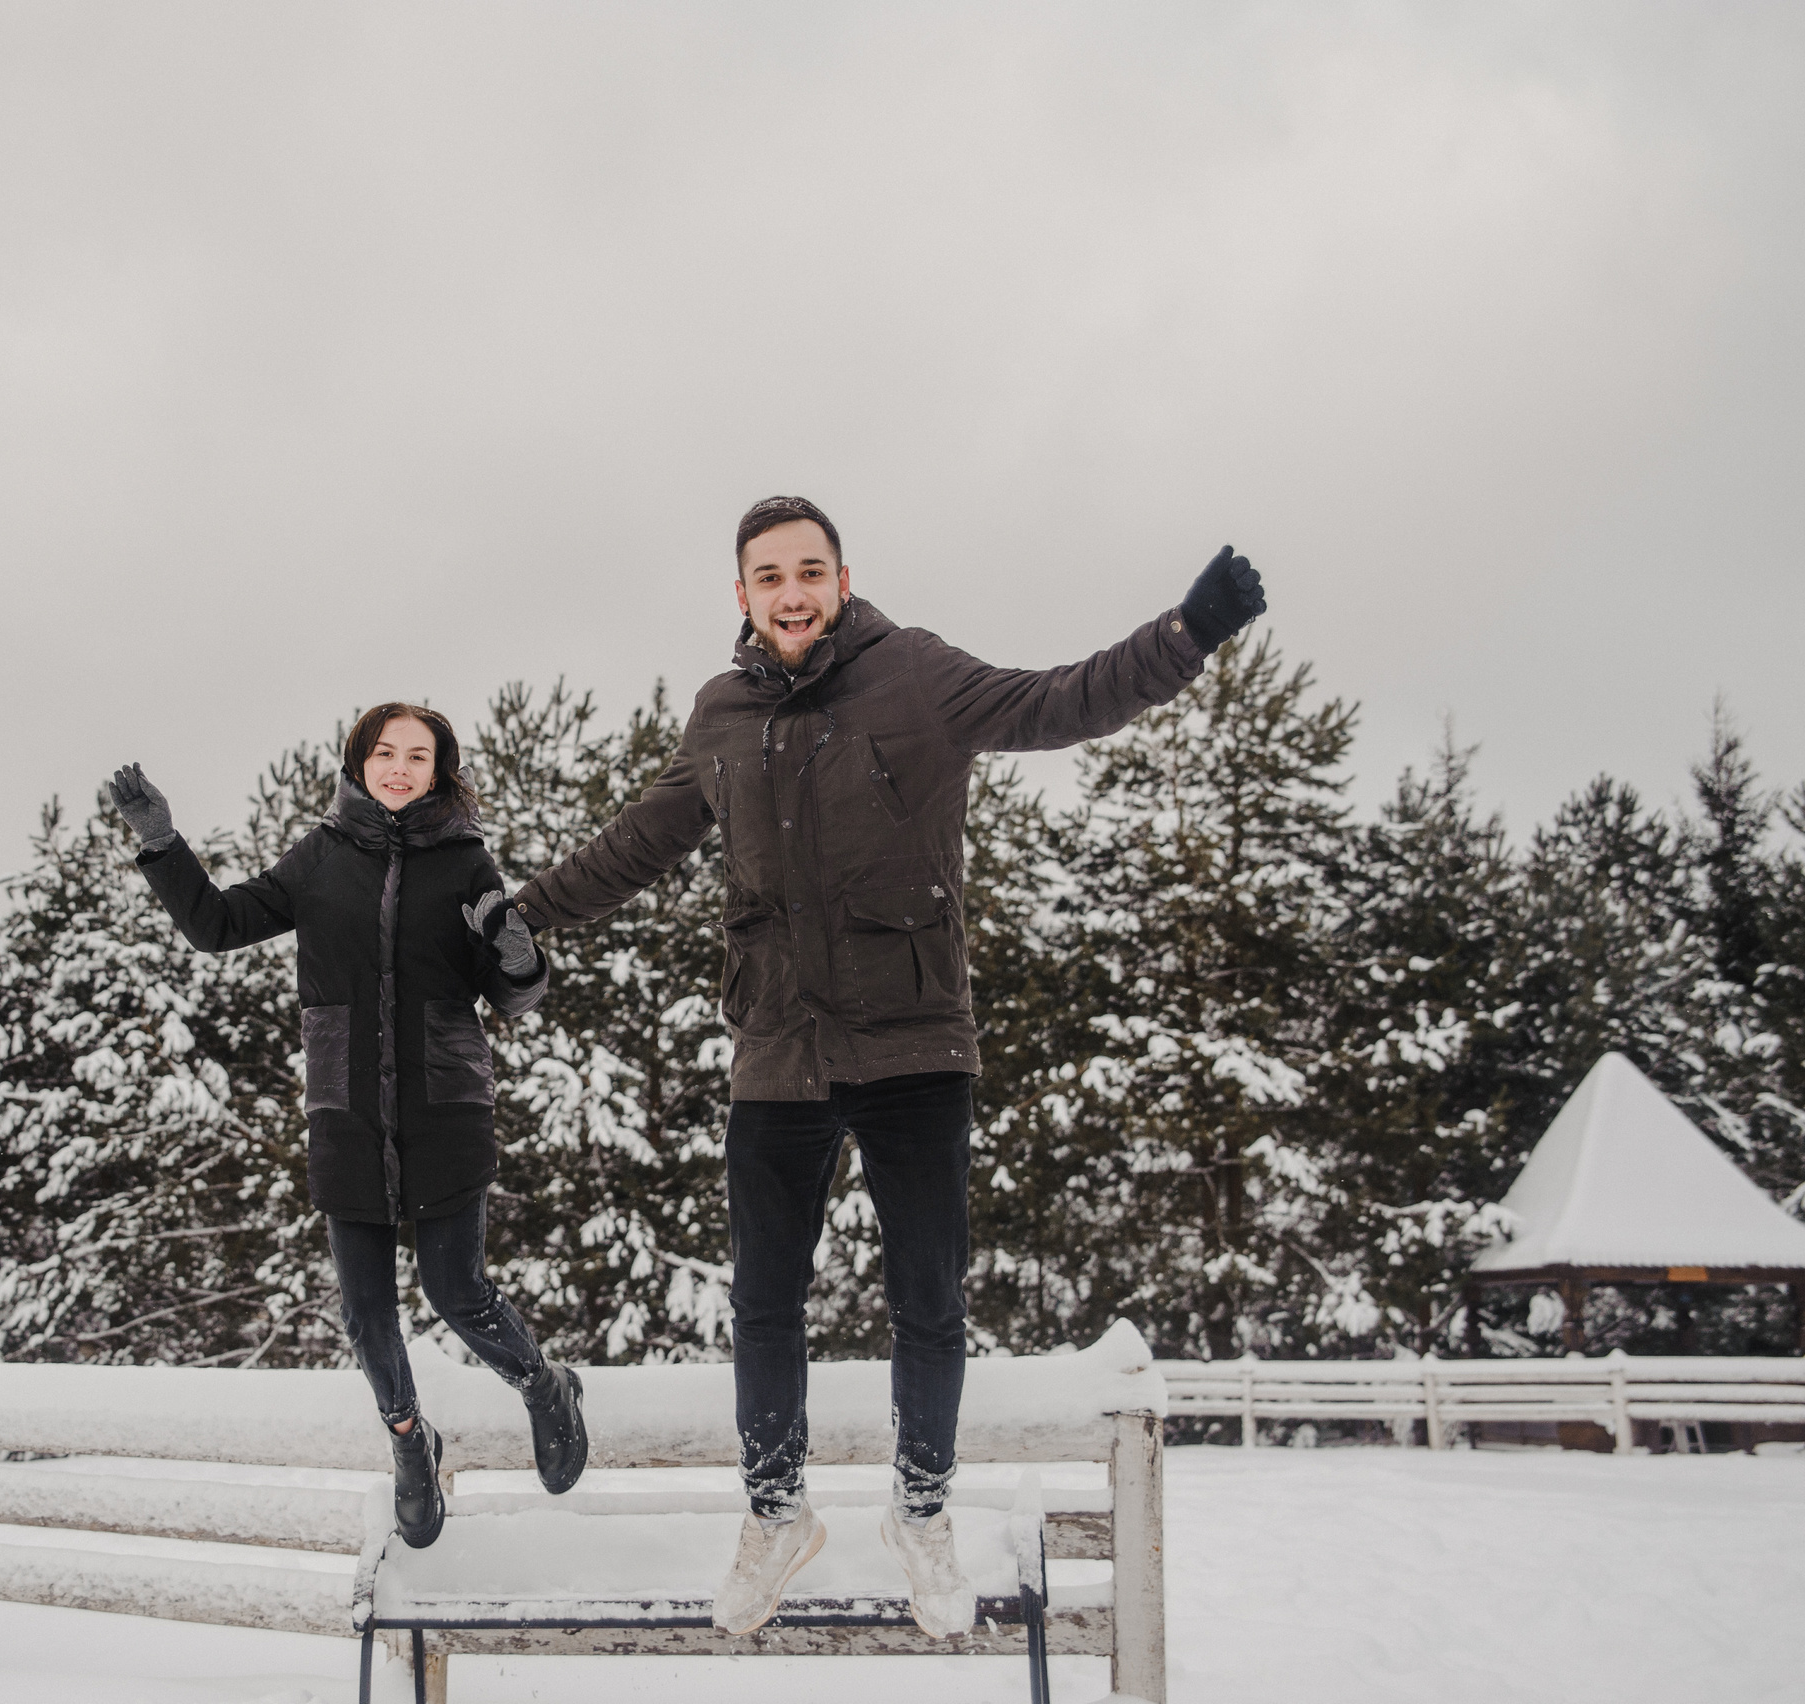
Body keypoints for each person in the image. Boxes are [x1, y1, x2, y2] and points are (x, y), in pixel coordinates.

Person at [506, 496, 1267, 1635]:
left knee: (927, 1301)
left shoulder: (913, 673)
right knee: (763, 1303)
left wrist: (1185, 634)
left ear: (842, 577)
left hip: (913, 1040)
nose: (793, 592)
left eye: (810, 570)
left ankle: (921, 1515)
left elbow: (1060, 701)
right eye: (770, 577)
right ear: (743, 596)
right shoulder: (720, 715)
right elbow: (636, 843)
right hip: (777, 1046)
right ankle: (774, 1515)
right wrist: (518, 916)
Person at [103, 703, 589, 1549]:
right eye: (385, 753)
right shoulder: (319, 857)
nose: (400, 769)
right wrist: (160, 845)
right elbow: (217, 926)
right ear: (359, 762)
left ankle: (546, 1388)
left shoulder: (467, 863)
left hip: (446, 1106)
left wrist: (518, 958)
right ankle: (410, 1443)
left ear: (441, 771)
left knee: (456, 1289)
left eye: (418, 757)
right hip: (348, 1110)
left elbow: (510, 993)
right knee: (368, 1314)